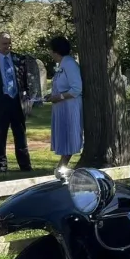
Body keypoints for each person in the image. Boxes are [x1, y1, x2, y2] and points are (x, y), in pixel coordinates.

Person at [0, 31, 33, 174]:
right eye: (4, 43)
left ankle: (25, 165)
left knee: (20, 134)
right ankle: (0, 166)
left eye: (9, 43)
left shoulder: (19, 59)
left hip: (17, 102)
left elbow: (25, 82)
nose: (7, 46)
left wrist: (27, 99)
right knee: (0, 135)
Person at [44, 36, 83, 170]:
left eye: (50, 50)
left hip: (70, 106)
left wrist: (59, 97)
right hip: (61, 105)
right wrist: (52, 95)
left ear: (56, 51)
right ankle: (62, 164)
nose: (50, 53)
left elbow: (76, 89)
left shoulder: (69, 64)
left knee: (69, 134)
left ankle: (63, 165)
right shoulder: (62, 64)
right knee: (63, 134)